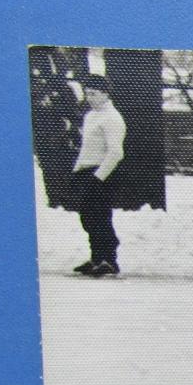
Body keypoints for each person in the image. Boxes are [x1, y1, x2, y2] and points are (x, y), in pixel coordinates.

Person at [70, 74, 127, 277]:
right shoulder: (91, 116)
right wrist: (78, 171)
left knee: (100, 216)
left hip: (103, 173)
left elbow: (115, 152)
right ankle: (96, 258)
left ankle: (109, 259)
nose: (89, 98)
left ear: (105, 94)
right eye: (87, 93)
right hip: (86, 171)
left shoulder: (113, 118)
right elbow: (86, 148)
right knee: (88, 217)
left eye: (93, 93)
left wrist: (98, 177)